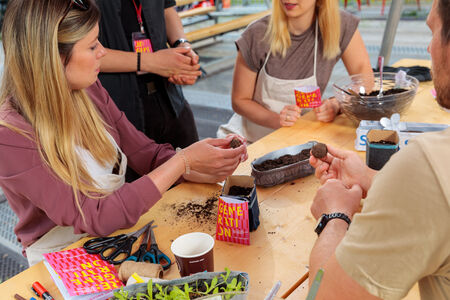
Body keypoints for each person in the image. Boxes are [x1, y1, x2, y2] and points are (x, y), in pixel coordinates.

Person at [0, 0, 247, 266]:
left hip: (116, 235)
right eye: (93, 45)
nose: (103, 53)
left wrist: (200, 163)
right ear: (53, 58)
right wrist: (182, 162)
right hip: (62, 258)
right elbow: (95, 215)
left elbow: (145, 153)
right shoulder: (11, 136)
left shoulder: (89, 90)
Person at [307, 1, 450, 298]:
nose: (429, 49)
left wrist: (334, 218)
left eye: (433, 32)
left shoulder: (429, 165)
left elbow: (323, 296)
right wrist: (375, 180)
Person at [217, 0, 373, 143]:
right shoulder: (257, 34)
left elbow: (365, 80)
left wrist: (337, 104)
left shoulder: (338, 25)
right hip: (250, 140)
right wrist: (277, 119)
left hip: (299, 137)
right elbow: (240, 101)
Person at [95, 0, 201, 149]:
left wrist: (182, 46)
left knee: (193, 165)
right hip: (117, 105)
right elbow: (76, 52)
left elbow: (167, 9)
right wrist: (153, 62)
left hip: (169, 97)